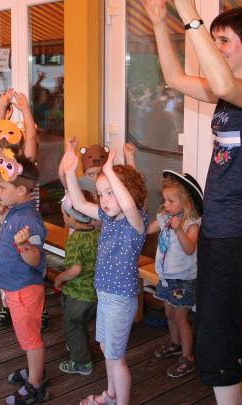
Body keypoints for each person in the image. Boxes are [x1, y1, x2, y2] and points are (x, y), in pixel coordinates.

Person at [143, 0, 242, 404]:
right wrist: (160, 24)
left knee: (216, 332)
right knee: (216, 323)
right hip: (221, 228)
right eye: (215, 39)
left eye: (225, 40)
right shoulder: (225, 90)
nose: (217, 46)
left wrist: (191, 14)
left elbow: (224, 82)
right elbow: (173, 78)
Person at [63, 145, 149, 405]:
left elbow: (128, 204)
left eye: (110, 193)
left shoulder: (136, 221)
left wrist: (110, 171)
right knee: (105, 349)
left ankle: (118, 401)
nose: (104, 200)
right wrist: (69, 171)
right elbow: (78, 203)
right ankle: (111, 395)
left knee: (116, 357)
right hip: (105, 296)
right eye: (101, 194)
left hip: (120, 300)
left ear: (128, 193)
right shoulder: (108, 218)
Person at [0, 89, 48, 332]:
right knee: (5, 268)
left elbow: (31, 138)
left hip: (23, 228)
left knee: (29, 271)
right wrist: (1, 106)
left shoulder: (22, 168)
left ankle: (39, 310)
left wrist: (25, 111)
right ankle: (7, 305)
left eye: (4, 150)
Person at [0, 149, 49, 404]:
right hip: (15, 286)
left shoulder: (29, 221)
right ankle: (34, 369)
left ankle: (36, 384)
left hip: (25, 289)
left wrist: (25, 245)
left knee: (31, 339)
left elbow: (35, 259)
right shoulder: (16, 212)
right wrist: (4, 216)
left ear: (22, 191)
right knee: (27, 336)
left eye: (2, 187)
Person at [146, 170, 203, 378]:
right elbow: (148, 229)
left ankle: (188, 357)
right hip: (166, 277)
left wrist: (179, 230)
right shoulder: (165, 217)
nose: (166, 204)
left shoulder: (192, 224)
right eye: (165, 200)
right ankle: (175, 342)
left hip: (183, 280)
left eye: (171, 201)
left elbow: (189, 249)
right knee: (169, 313)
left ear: (186, 201)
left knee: (181, 317)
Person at [54, 172, 100, 376]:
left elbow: (75, 269)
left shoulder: (74, 240)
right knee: (81, 324)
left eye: (65, 215)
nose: (63, 218)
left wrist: (59, 277)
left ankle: (82, 363)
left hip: (78, 295)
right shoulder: (98, 233)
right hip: (95, 293)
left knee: (73, 324)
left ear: (74, 217)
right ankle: (79, 345)